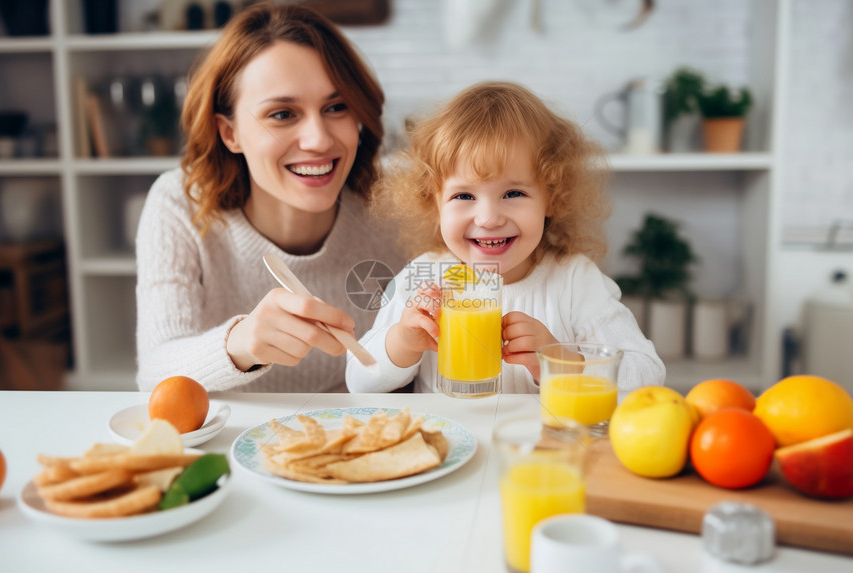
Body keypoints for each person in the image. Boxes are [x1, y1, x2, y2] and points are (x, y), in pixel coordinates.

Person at [136, 3, 405, 392]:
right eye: (282, 114)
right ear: (230, 133)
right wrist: (240, 343)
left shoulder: (397, 201)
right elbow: (155, 373)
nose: (319, 140)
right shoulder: (179, 204)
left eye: (336, 107)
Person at [346, 82, 665, 393]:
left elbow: (648, 376)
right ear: (434, 204)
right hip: (448, 444)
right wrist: (402, 341)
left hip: (544, 446)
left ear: (552, 197)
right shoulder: (422, 279)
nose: (488, 218)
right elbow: (358, 380)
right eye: (464, 196)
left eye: (513, 193)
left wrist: (562, 361)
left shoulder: (574, 280)